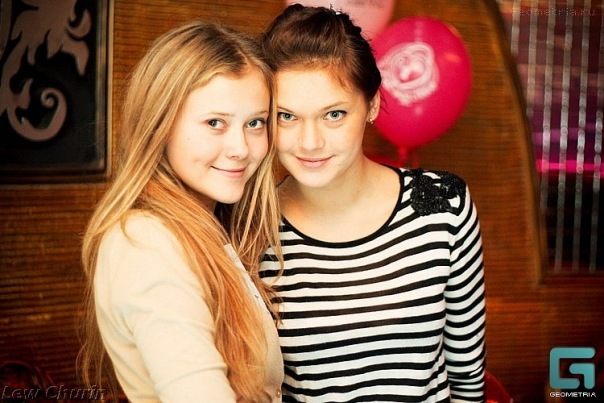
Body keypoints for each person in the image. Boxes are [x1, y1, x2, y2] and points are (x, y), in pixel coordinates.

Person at [259, 4, 486, 402]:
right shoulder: (252, 228)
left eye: (333, 114)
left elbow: (467, 379)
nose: (309, 142)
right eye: (287, 117)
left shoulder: (444, 206)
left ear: (373, 105)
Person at [78, 21, 284, 402]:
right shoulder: (145, 243)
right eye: (215, 123)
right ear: (160, 124)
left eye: (255, 123)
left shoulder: (204, 226)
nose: (241, 148)